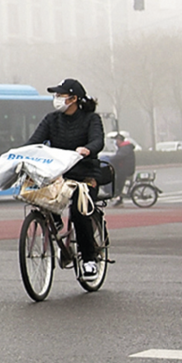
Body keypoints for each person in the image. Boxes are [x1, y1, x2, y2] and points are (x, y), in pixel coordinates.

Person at [30, 78, 106, 279]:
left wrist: (87, 149)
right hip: (59, 174)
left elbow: (98, 140)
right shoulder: (51, 120)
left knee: (79, 211)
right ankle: (55, 225)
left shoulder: (91, 119)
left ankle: (89, 259)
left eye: (60, 96)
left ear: (73, 99)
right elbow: (34, 141)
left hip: (85, 175)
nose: (56, 99)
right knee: (40, 198)